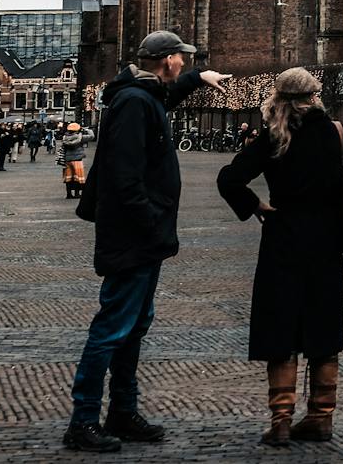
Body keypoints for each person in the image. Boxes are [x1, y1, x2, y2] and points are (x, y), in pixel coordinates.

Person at [63, 30, 229, 453]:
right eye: (183, 60)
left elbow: (161, 106)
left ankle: (122, 411)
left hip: (141, 235)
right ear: (168, 60)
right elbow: (124, 175)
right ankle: (83, 420)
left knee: (133, 327)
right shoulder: (135, 101)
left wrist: (198, 80)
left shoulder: (143, 94)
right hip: (133, 235)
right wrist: (151, 221)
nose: (185, 64)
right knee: (111, 328)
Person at [218, 69, 343, 445]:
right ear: (315, 96)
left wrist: (255, 204)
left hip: (282, 239)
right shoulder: (338, 133)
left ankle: (280, 420)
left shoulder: (273, 136)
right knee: (323, 327)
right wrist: (339, 168)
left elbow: (229, 178)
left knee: (281, 328)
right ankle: (321, 417)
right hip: (325, 240)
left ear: (280, 99)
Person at [60, 122, 89, 199]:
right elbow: (92, 136)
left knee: (68, 178)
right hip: (77, 160)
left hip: (68, 160)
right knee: (78, 177)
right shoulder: (80, 137)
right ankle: (77, 193)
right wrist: (86, 130)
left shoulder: (65, 137)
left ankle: (69, 194)